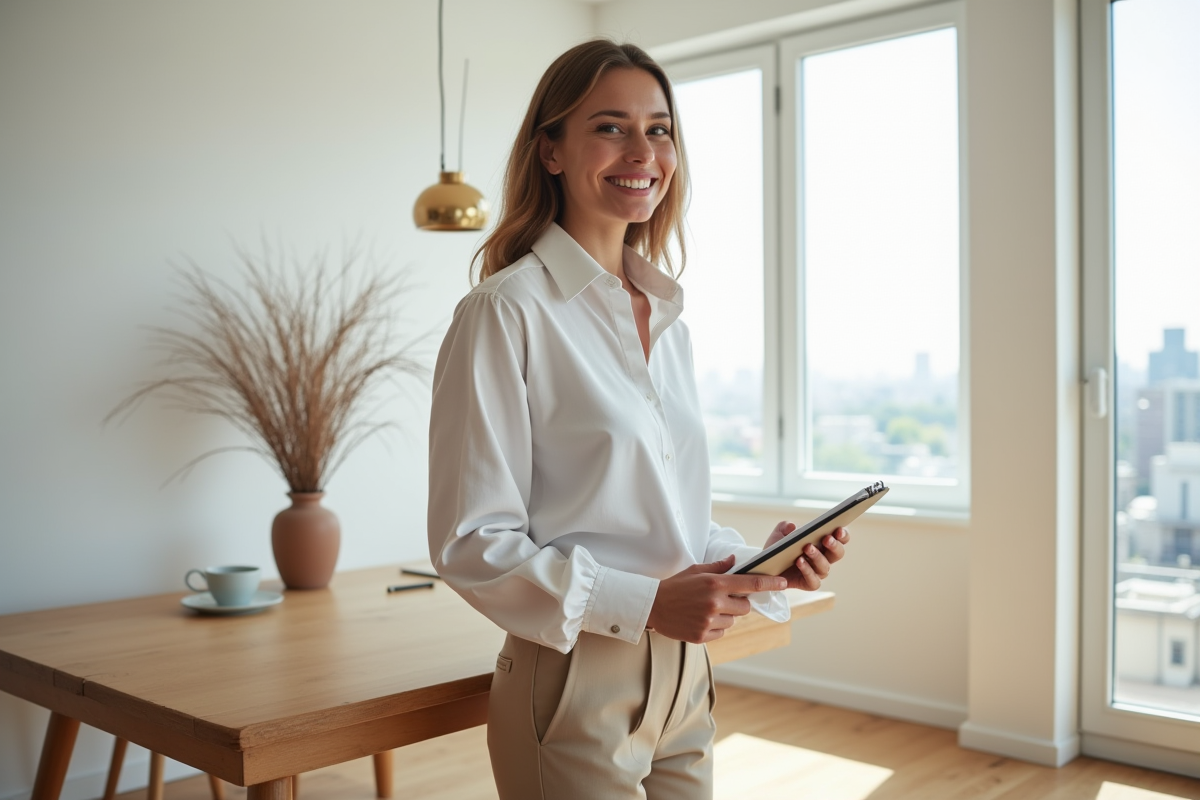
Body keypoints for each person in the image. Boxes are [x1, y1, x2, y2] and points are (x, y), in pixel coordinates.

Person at [427, 38, 850, 800]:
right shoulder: (503, 315)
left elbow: (668, 526)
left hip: (686, 678)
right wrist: (649, 602)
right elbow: (470, 543)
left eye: (659, 129)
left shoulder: (669, 320)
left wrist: (759, 565)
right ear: (550, 150)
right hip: (572, 681)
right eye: (611, 126)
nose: (643, 151)